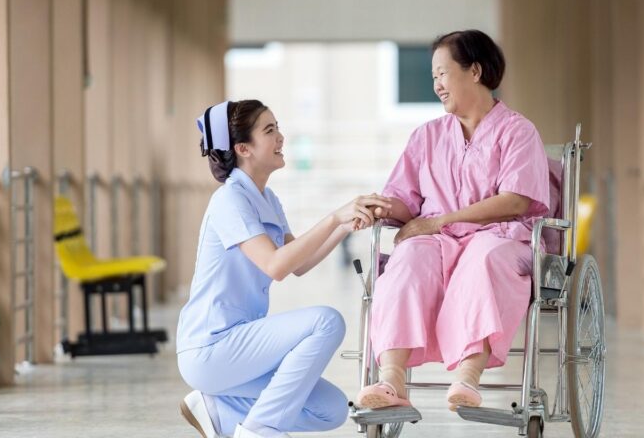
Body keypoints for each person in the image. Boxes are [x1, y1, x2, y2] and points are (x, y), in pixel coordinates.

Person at [355, 29, 551, 412]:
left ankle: (467, 377)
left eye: (442, 73)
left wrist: (440, 221)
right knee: (408, 260)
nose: (437, 85)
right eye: (433, 77)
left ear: (475, 71)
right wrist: (383, 207)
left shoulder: (518, 131)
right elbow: (407, 202)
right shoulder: (426, 136)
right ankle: (391, 379)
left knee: (483, 258)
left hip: (501, 235)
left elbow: (513, 200)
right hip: (438, 239)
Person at [177, 99, 390, 438]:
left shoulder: (267, 198)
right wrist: (335, 215)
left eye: (277, 128)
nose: (281, 138)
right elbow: (275, 265)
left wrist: (345, 224)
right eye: (270, 130)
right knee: (325, 321)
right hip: (211, 347)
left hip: (239, 346)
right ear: (243, 148)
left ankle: (217, 411)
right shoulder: (229, 199)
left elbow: (299, 262)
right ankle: (260, 431)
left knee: (330, 409)